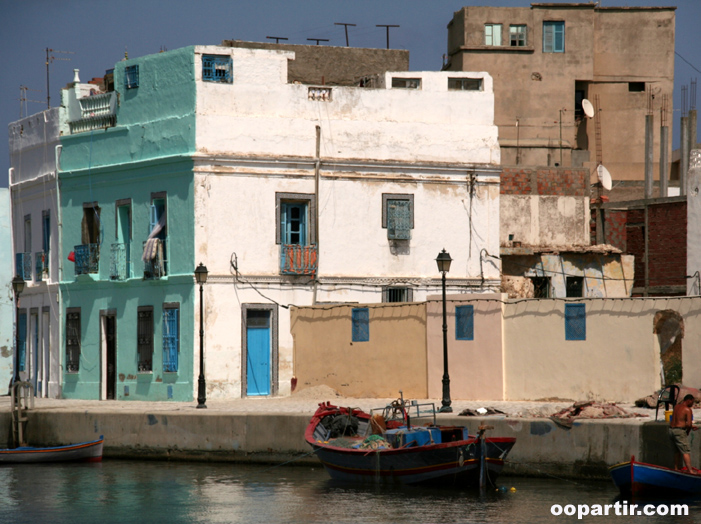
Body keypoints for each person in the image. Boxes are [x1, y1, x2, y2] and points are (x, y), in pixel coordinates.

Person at [669, 394, 699, 473]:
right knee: (686, 451)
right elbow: (688, 424)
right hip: (679, 431)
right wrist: (688, 431)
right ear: (689, 400)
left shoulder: (676, 407)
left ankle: (676, 468)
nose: (692, 404)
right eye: (692, 402)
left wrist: (691, 426)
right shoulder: (688, 410)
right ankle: (690, 471)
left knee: (676, 451)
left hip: (671, 430)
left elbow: (679, 421)